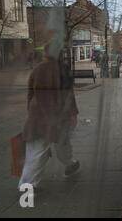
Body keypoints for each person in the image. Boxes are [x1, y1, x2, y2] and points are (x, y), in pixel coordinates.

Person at [19, 43, 80, 191]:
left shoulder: (37, 69)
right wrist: (72, 113)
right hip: (56, 116)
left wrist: (31, 112)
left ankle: (27, 184)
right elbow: (68, 95)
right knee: (61, 144)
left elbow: (31, 95)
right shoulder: (62, 69)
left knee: (36, 150)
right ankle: (69, 164)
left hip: (39, 116)